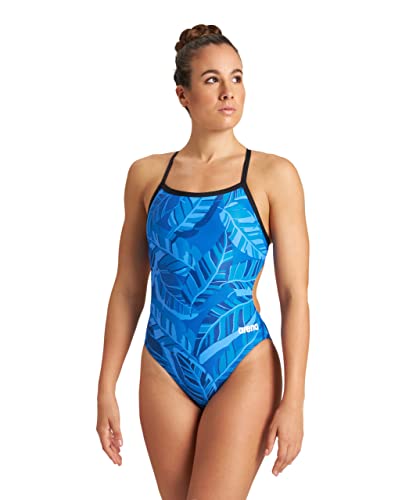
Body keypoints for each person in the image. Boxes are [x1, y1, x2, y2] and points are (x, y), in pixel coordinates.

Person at [96, 23, 310, 499]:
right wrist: (106, 386)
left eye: (237, 77)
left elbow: (294, 295)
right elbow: (128, 288)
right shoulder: (146, 176)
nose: (228, 91)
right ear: (183, 95)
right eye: (212, 80)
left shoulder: (273, 175)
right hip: (163, 364)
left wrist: (294, 399)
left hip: (242, 362)